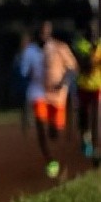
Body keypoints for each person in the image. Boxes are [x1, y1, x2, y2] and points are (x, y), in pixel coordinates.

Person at [20, 21, 79, 178]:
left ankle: (59, 151)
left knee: (55, 130)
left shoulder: (59, 47)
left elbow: (73, 68)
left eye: (45, 32)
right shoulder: (30, 51)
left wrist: (64, 81)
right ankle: (50, 159)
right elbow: (24, 73)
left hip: (57, 95)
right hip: (38, 91)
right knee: (40, 123)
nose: (43, 35)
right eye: (40, 32)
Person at [71, 19, 100, 164]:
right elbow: (85, 66)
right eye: (90, 30)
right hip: (83, 86)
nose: (92, 33)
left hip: (97, 87)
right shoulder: (80, 44)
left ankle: (95, 149)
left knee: (96, 118)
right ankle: (85, 137)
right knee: (84, 117)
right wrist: (92, 53)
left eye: (95, 31)